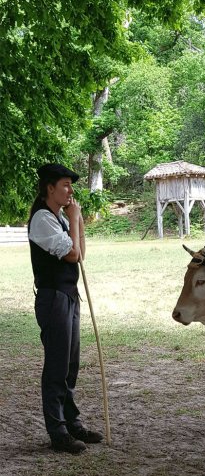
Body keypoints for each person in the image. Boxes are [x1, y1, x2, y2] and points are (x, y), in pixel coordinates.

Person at [28, 163, 103, 454]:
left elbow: (81, 253)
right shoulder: (43, 219)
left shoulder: (59, 219)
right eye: (65, 185)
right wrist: (73, 218)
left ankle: (72, 422)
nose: (70, 190)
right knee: (57, 365)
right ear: (50, 188)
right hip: (53, 298)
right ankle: (57, 430)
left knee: (71, 364)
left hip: (69, 296)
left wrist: (78, 220)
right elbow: (72, 255)